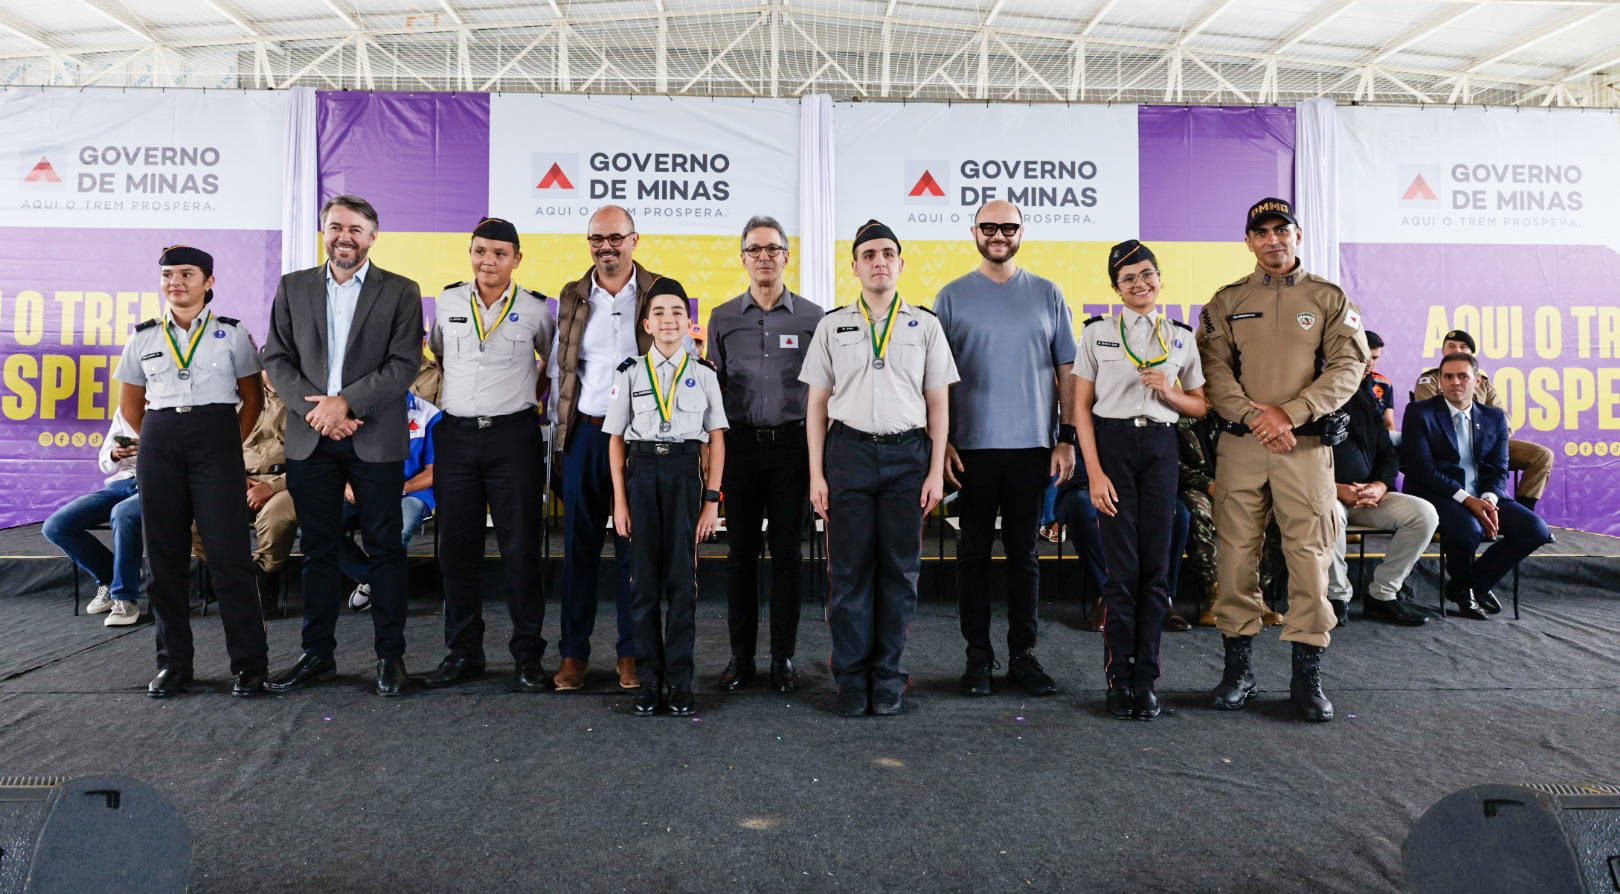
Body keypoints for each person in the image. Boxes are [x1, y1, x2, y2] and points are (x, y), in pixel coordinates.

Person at [1197, 197, 1369, 723]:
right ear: (1249, 241)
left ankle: (1306, 679)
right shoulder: (1227, 300)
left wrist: (1290, 414)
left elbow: (1348, 365)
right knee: (1234, 558)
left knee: (1310, 560)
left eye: (1282, 229)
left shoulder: (1328, 297)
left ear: (1297, 235)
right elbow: (1213, 370)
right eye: (1262, 232)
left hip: (1306, 448)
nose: (1273, 239)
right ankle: (1239, 673)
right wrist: (1256, 418)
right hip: (1243, 446)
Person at [262, 194, 424, 697]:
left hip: (375, 438)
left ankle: (390, 657)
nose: (344, 237)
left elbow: (403, 364)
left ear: (372, 237)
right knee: (318, 550)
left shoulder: (401, 290)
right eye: (335, 227)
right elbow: (276, 359)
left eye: (355, 228)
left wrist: (346, 405)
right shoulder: (293, 287)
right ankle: (317, 655)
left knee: (385, 549)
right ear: (324, 232)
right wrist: (319, 412)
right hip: (311, 437)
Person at [801, 219, 958, 717]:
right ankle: (851, 678)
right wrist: (816, 474)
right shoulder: (832, 325)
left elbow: (939, 405)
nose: (879, 262)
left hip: (907, 458)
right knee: (848, 574)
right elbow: (816, 406)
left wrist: (934, 471)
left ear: (901, 264)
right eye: (869, 255)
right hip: (847, 455)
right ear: (854, 267)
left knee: (899, 573)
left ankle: (888, 676)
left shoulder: (925, 325)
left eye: (888, 253)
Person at [113, 245, 268, 697]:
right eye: (168, 275)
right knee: (164, 561)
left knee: (230, 558)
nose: (175, 282)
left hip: (216, 441)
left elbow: (253, 399)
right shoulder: (143, 336)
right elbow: (131, 406)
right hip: (160, 441)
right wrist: (161, 437)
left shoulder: (232, 333)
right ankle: (174, 665)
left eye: (186, 274)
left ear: (208, 281)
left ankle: (250, 665)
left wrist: (226, 442)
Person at [934, 201, 1074, 698]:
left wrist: (1066, 436)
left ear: (1021, 231)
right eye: (989, 227)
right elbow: (935, 377)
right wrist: (942, 441)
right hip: (969, 449)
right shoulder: (951, 296)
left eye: (1008, 227)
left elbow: (1066, 369)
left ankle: (1022, 656)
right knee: (971, 555)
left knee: (1024, 556)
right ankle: (977, 656)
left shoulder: (1048, 293)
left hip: (1032, 446)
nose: (999, 235)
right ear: (974, 232)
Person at [549, 205, 688, 693]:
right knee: (578, 548)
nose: (605, 247)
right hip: (586, 435)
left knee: (637, 551)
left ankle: (633, 652)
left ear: (634, 240)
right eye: (596, 239)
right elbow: (563, 369)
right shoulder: (572, 294)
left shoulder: (659, 292)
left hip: (642, 439)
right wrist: (560, 435)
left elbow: (682, 358)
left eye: (615, 238)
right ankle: (574, 654)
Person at [1073, 240, 1207, 721]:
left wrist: (1169, 392)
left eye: (1147, 274)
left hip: (1160, 449)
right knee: (1122, 572)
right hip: (1112, 446)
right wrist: (1094, 473)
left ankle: (1145, 680)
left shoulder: (1180, 337)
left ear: (1159, 279)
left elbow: (1200, 405)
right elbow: (1080, 409)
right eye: (1128, 278)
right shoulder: (1097, 334)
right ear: (1116, 288)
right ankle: (1118, 677)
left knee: (1155, 571)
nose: (1139, 283)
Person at [422, 217, 555, 693]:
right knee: (456, 550)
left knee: (520, 550)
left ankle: (527, 655)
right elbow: (440, 354)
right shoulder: (448, 301)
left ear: (516, 259)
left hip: (513, 438)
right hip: (457, 436)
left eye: (500, 253)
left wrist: (522, 398)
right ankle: (463, 652)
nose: (488, 261)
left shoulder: (537, 308)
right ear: (470, 253)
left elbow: (550, 365)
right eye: (480, 251)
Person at [705, 215, 823, 694]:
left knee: (788, 557)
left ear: (787, 257)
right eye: (754, 249)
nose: (764, 257)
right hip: (739, 447)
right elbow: (712, 388)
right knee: (740, 557)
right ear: (743, 259)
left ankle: (783, 658)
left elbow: (824, 390)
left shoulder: (814, 318)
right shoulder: (722, 317)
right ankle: (741, 658)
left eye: (773, 249)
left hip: (794, 449)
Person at [607, 280, 728, 715]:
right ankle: (649, 680)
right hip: (641, 475)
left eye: (677, 311)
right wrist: (620, 502)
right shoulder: (629, 373)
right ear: (646, 324)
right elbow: (615, 440)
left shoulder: (704, 374)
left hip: (684, 475)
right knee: (641, 584)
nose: (668, 320)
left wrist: (711, 501)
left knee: (681, 584)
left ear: (688, 321)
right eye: (658, 312)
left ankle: (679, 681)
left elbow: (717, 440)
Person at [1401, 353, 1552, 619]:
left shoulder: (1494, 417)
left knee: (1535, 529)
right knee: (1468, 530)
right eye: (1448, 376)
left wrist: (1490, 499)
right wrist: (1468, 500)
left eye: (1463, 376)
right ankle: (1469, 590)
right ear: (1440, 381)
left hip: (1482, 493)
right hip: (1438, 493)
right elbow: (1423, 469)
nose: (1455, 382)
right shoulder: (1419, 412)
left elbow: (1499, 467)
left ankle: (1468, 586)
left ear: (1478, 381)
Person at [1326, 365, 1436, 627]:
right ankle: (1336, 597)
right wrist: (1336, 488)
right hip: (1324, 494)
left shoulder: (1365, 401)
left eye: (1366, 366)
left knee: (1424, 514)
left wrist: (1380, 485)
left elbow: (1388, 453)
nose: (1365, 369)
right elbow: (1295, 462)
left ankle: (1382, 594)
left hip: (1367, 495)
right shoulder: (1308, 400)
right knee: (1330, 514)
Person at [1413, 329, 1554, 511]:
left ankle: (1523, 509)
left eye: (1463, 347)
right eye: (1451, 346)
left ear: (1472, 354)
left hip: (1487, 447)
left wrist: (1487, 441)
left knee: (1541, 455)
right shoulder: (1431, 379)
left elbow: (1504, 421)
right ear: (1443, 351)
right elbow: (1430, 422)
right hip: (1448, 448)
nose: (1457, 350)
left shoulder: (1483, 383)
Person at [1173, 414, 1287, 629]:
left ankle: (1254, 593)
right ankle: (1215, 593)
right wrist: (1208, 485)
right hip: (1201, 488)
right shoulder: (1179, 417)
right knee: (1195, 510)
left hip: (1245, 485)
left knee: (1283, 512)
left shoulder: (1243, 414)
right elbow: (1171, 464)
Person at [341, 390, 440, 612]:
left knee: (393, 532)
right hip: (364, 490)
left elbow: (434, 471)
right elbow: (340, 458)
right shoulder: (355, 409)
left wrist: (399, 489)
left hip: (411, 493)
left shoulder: (429, 414)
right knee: (317, 526)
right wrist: (347, 484)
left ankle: (383, 589)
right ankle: (377, 581)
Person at [42, 414, 145, 627]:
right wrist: (115, 454)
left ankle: (124, 597)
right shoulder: (125, 409)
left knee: (123, 513)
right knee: (56, 526)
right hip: (121, 483)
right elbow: (105, 464)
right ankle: (111, 577)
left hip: (157, 483)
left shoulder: (175, 406)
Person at [241, 372, 297, 618]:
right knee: (198, 515)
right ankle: (235, 576)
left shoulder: (303, 398)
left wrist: (272, 487)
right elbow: (216, 447)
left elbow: (316, 459)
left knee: (275, 515)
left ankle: (265, 575)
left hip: (289, 481)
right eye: (266, 366)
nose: (272, 371)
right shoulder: (238, 398)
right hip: (240, 480)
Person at [1362, 331, 1398, 438]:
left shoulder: (1384, 384)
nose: (1370, 363)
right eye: (1367, 357)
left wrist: (1387, 444)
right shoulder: (1338, 382)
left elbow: (1388, 423)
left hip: (1376, 440)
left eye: (1375, 358)